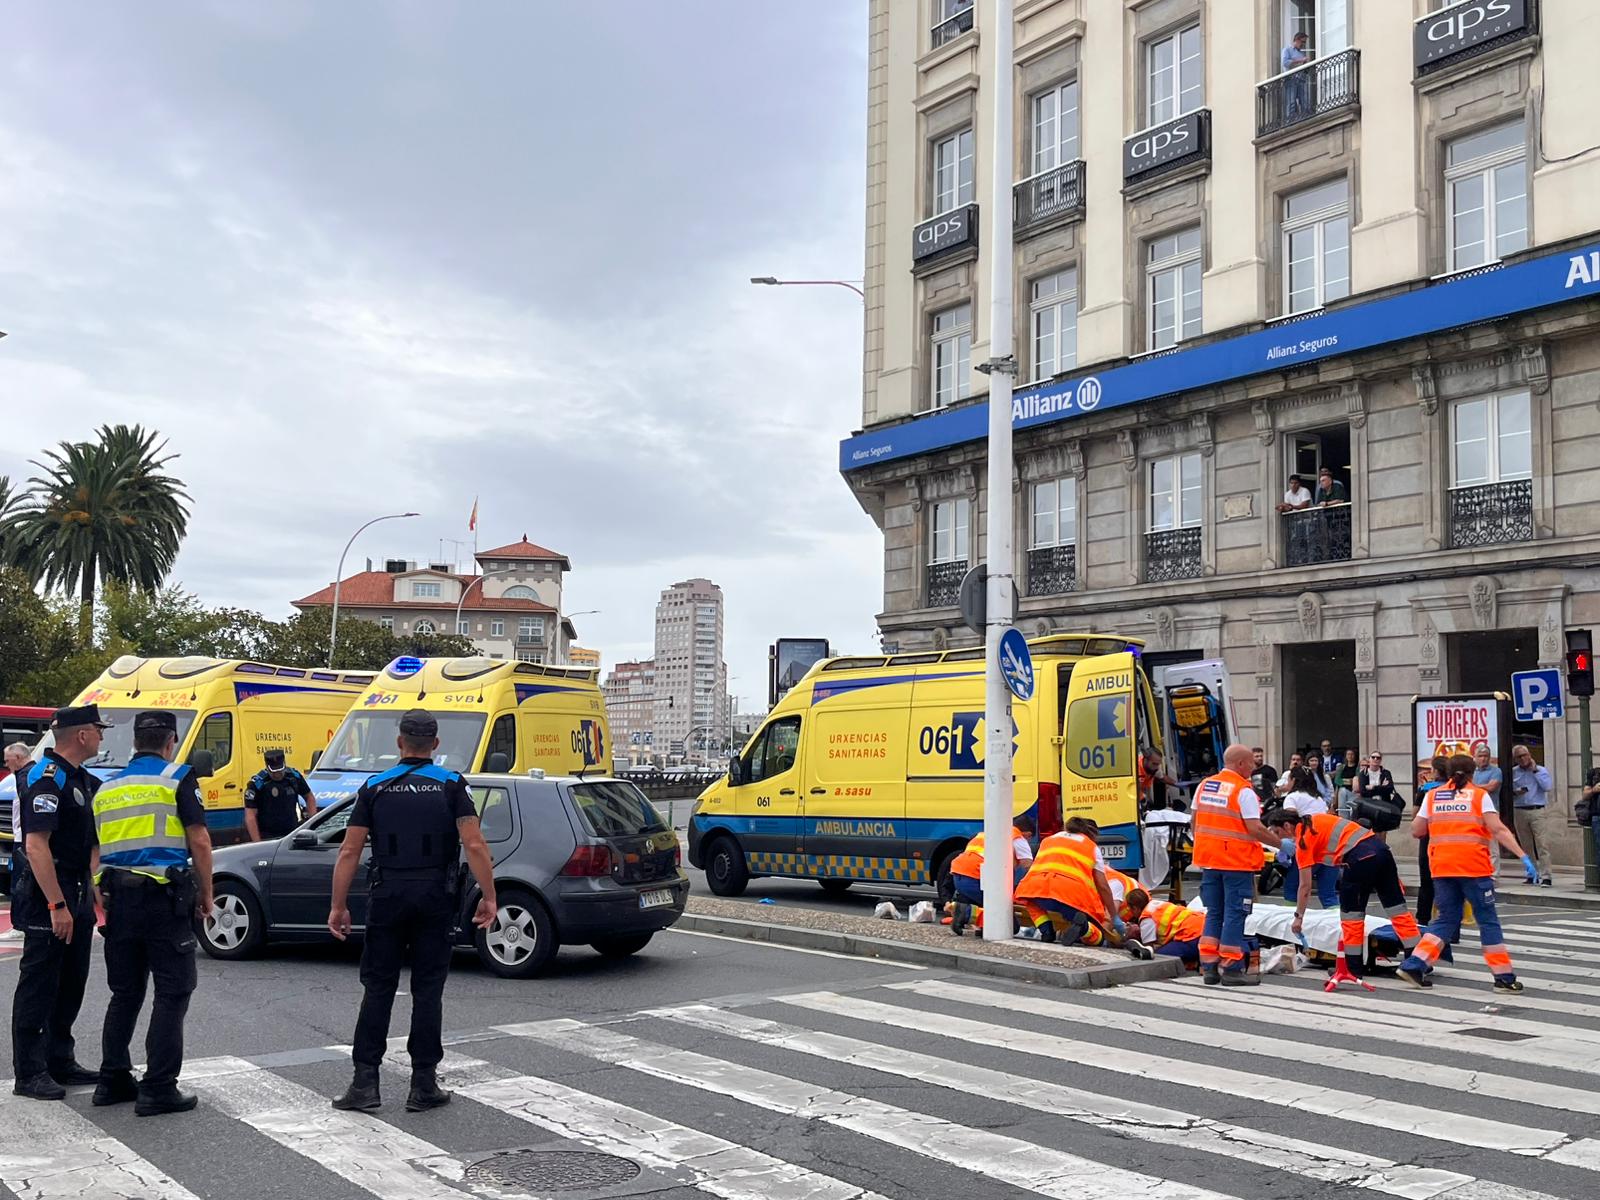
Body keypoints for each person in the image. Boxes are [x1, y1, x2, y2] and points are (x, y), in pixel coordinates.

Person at [328, 709, 498, 1113]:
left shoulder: (375, 786)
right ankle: (423, 1084)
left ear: (399, 742)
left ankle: (364, 1083)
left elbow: (349, 849)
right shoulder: (453, 784)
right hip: (435, 897)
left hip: (388, 895)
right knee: (428, 990)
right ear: (435, 746)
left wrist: (338, 905)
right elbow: (474, 845)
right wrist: (489, 896)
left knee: (378, 988)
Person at [90, 710, 213, 1116]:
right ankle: (158, 1087)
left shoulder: (108, 788)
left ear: (135, 742)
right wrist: (207, 894)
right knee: (173, 992)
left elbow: (96, 852)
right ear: (170, 741)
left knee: (125, 993)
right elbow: (199, 840)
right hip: (163, 900)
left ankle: (112, 1080)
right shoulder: (177, 778)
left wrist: (98, 893)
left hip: (119, 902)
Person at [10, 705, 108, 1101]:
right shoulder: (45, 778)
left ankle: (59, 1058)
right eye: (99, 730)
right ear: (82, 735)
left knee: (71, 981)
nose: (102, 737)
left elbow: (93, 846)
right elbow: (36, 846)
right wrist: (56, 905)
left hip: (78, 890)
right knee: (40, 983)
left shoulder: (83, 780)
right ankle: (30, 1072)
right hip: (49, 893)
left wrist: (96, 899)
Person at [1397, 753, 1536, 992]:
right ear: (1473, 773)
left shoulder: (1432, 795)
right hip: (1473, 868)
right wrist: (1523, 856)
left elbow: (1416, 830)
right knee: (1488, 921)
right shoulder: (1479, 796)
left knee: (1446, 919)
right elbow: (1498, 829)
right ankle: (1503, 976)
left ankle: (1414, 965)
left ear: (1448, 773)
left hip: (1441, 867)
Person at [1265, 806, 1422, 979]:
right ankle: (1415, 963)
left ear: (1287, 826)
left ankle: (1353, 969)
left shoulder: (1303, 841)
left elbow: (1305, 887)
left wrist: (1298, 917)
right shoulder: (1317, 818)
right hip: (1382, 853)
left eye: (1277, 832)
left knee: (1351, 917)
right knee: (1398, 911)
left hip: (1359, 860)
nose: (1278, 837)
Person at [1191, 743, 1281, 986]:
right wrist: (1282, 845)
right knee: (1235, 913)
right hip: (1236, 863)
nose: (1253, 767)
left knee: (1214, 913)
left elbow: (1195, 821)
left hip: (1209, 861)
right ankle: (1231, 968)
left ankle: (1209, 967)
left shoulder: (1204, 785)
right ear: (1240, 764)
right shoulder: (1243, 791)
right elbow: (1256, 828)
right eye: (1251, 762)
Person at [1016, 817, 1120, 947]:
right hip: (1069, 897)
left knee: (1030, 902)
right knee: (1096, 936)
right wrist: (1114, 916)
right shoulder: (1091, 847)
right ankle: (1085, 929)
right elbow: (1103, 886)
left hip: (1036, 889)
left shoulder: (1048, 840)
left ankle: (1046, 931)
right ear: (1091, 835)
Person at [947, 815, 1034, 936]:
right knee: (1008, 922)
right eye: (1029, 839)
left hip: (958, 874)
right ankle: (964, 912)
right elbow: (1029, 866)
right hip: (975, 877)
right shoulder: (1017, 838)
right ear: (1028, 834)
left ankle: (973, 921)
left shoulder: (987, 832)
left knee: (983, 905)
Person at [1277, 768, 1337, 908]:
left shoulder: (1292, 798)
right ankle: (1338, 927)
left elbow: (1289, 825)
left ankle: (1291, 922)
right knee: (1328, 893)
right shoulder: (1319, 799)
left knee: (1292, 888)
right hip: (1330, 847)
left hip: (1308, 847)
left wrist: (1284, 846)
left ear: (1294, 781)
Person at [244, 748, 319, 842]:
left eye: (280, 769)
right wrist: (257, 843)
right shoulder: (257, 785)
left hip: (292, 834)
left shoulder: (293, 777)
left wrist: (313, 824)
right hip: (268, 837)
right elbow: (250, 815)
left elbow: (309, 797)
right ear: (267, 767)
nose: (278, 774)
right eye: (274, 771)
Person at [1509, 744, 1555, 886]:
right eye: (1519, 756)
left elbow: (1547, 787)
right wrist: (1516, 792)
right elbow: (1507, 791)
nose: (1523, 759)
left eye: (1525, 755)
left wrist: (1534, 771)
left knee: (1542, 844)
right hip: (1520, 809)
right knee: (1526, 845)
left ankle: (1546, 875)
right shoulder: (1513, 772)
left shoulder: (1540, 770)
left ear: (1529, 755)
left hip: (1537, 810)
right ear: (1515, 759)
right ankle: (1531, 874)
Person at [1414, 756, 1449, 925]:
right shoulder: (1456, 790)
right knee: (1448, 883)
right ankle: (1450, 924)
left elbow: (1416, 817)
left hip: (1429, 839)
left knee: (1426, 882)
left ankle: (1422, 920)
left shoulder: (1426, 790)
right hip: (1450, 839)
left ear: (1436, 771)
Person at [1127, 892, 1204, 966]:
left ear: (1135, 908)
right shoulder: (1157, 904)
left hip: (1192, 936)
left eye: (1130, 910)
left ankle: (1196, 961)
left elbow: (1148, 949)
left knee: (1158, 958)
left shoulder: (1146, 918)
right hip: (1205, 927)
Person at [1282, 30, 1311, 118]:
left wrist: (1306, 65)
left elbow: (1304, 70)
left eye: (1305, 42)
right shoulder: (1287, 50)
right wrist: (1301, 60)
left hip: (1301, 79)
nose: (1303, 44)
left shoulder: (1301, 53)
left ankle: (1306, 117)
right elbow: (1285, 63)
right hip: (1291, 79)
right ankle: (1290, 120)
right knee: (1291, 102)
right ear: (1297, 40)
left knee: (1304, 101)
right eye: (1303, 42)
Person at [1337, 748, 1360, 817]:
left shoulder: (1357, 767)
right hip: (1342, 792)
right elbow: (1337, 780)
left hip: (1353, 792)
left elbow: (1356, 779)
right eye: (1348, 754)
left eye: (1352, 754)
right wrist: (1349, 781)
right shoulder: (1341, 767)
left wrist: (1344, 780)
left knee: (1353, 811)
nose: (1350, 756)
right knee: (1342, 810)